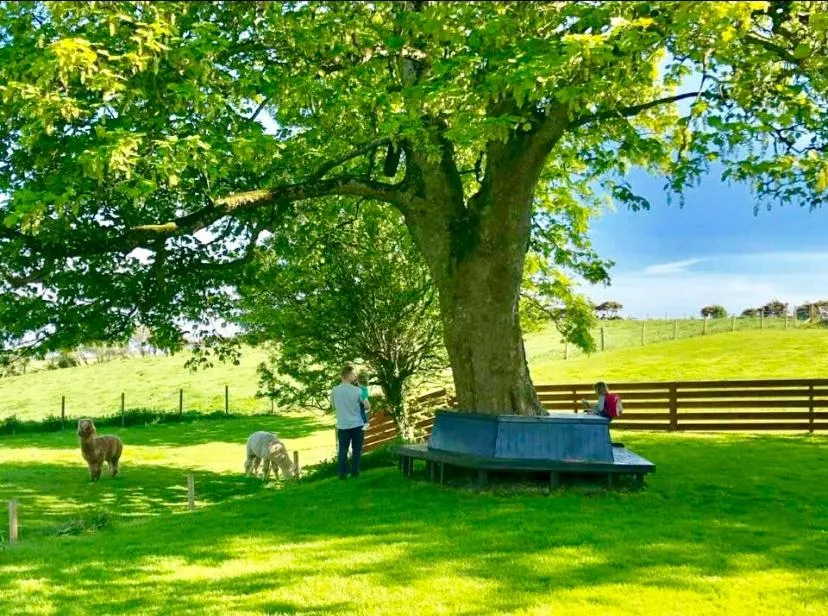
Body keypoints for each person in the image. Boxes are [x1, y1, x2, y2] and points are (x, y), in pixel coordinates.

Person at [330, 365, 369, 479]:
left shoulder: (334, 391)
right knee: (357, 449)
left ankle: (342, 474)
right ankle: (355, 472)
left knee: (343, 450)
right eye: (353, 375)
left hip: (342, 425)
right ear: (349, 375)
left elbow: (333, 407)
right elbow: (367, 406)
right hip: (357, 424)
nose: (355, 377)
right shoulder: (358, 391)